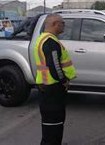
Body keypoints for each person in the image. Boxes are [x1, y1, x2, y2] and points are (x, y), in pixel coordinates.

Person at [34, 14, 76, 145]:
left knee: (51, 123)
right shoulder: (50, 42)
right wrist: (64, 80)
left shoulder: (44, 39)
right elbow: (55, 65)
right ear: (55, 24)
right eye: (62, 23)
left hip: (47, 86)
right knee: (53, 124)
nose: (64, 25)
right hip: (53, 87)